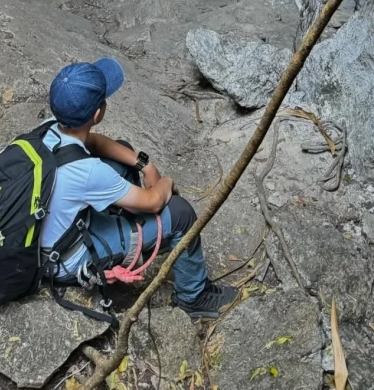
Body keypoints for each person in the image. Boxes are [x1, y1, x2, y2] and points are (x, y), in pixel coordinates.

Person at [40, 57, 237, 319]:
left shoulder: (49, 130)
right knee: (180, 213)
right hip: (66, 258)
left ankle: (131, 221)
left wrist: (145, 164)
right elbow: (155, 201)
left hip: (51, 231)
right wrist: (166, 182)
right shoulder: (89, 172)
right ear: (97, 114)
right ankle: (194, 297)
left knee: (122, 151)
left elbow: (94, 142)